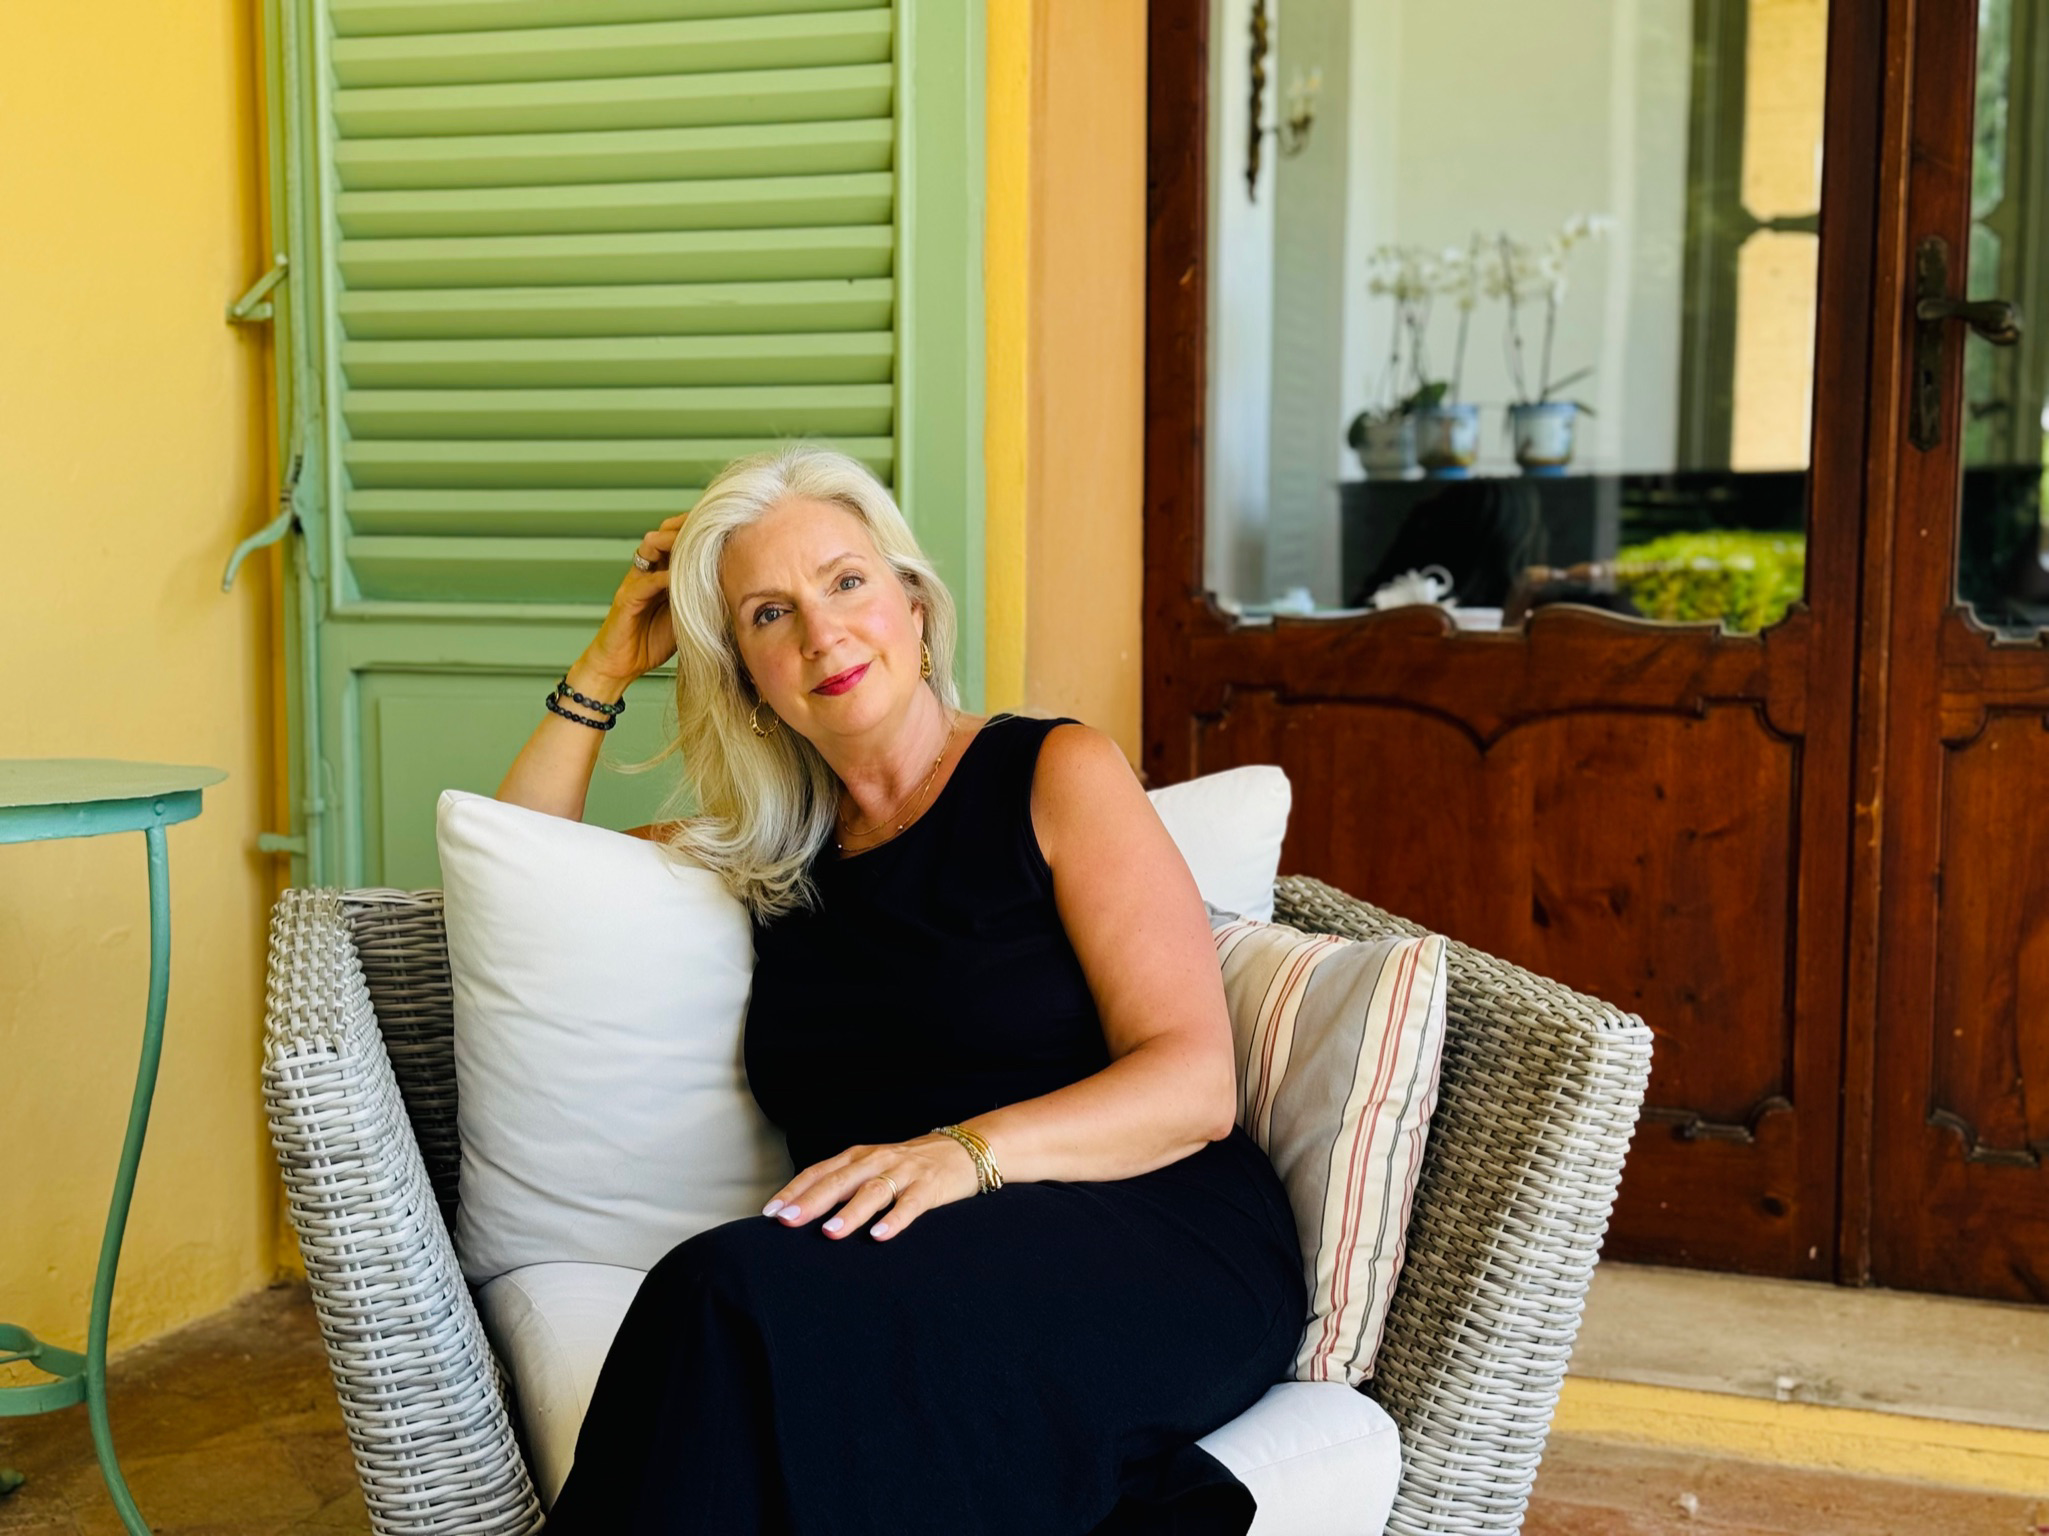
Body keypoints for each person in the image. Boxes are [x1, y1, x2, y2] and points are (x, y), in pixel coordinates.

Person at [495, 444, 1307, 1534]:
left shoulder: (1052, 772)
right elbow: (517, 877)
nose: (823, 632)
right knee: (742, 1334)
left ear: (915, 609)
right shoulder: (770, 854)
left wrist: (958, 1154)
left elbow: (1194, 1084)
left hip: (1152, 1229)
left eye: (846, 581)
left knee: (721, 1293)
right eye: (770, 614)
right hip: (909, 1258)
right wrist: (605, 666)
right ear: (746, 678)